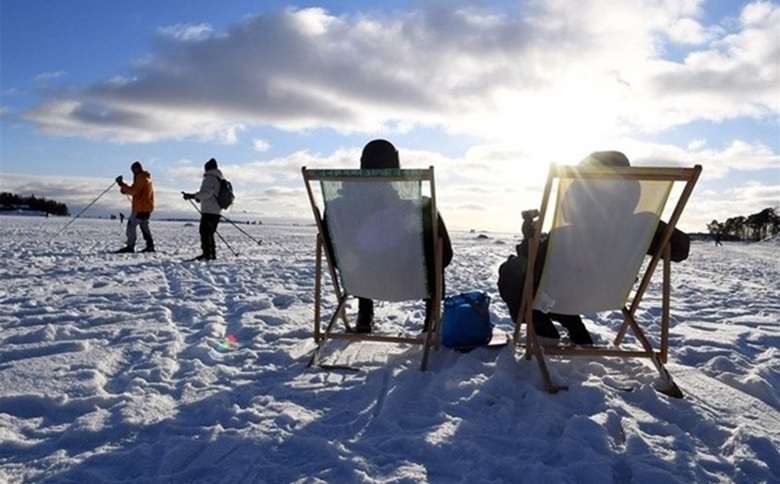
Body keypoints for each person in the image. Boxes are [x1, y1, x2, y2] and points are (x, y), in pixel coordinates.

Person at [324, 139, 454, 333]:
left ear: (362, 164)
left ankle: (364, 315)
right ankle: (432, 316)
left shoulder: (336, 209)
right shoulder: (419, 209)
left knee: (360, 256)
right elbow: (445, 256)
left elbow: (334, 255)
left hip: (359, 277)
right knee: (436, 244)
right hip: (409, 276)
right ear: (396, 164)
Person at [182, 158, 224, 261]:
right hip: (216, 210)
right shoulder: (218, 178)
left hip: (209, 210)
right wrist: (198, 197)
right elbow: (210, 194)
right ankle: (211, 254)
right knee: (210, 233)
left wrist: (193, 196)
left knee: (204, 232)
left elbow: (206, 193)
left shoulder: (210, 178)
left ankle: (206, 254)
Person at [114, 161, 155, 253]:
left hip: (140, 208)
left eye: (133, 170)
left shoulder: (141, 178)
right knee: (144, 226)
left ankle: (130, 246)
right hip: (147, 208)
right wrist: (124, 189)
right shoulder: (146, 178)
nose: (132, 172)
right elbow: (136, 190)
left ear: (136, 169)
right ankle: (150, 245)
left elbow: (134, 191)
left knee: (131, 225)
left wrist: (122, 185)